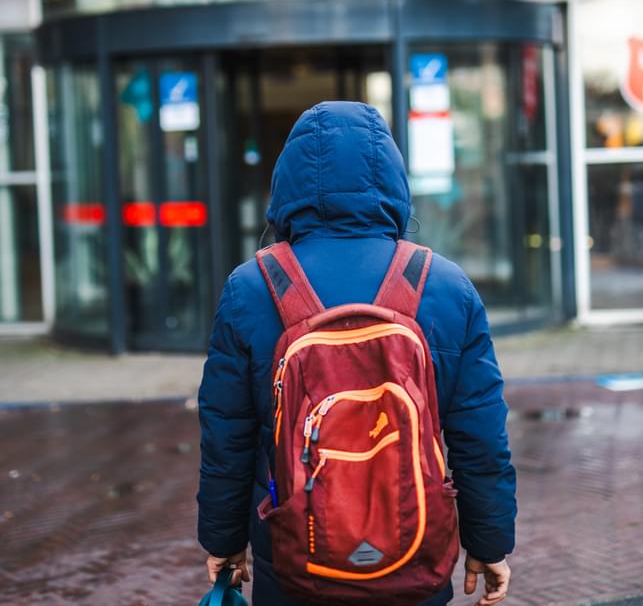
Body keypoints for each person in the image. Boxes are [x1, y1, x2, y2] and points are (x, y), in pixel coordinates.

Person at [197, 101, 516, 605]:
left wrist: (223, 540)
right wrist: (489, 542)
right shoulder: (445, 285)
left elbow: (226, 437)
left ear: (287, 183)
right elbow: (480, 437)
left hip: (294, 557)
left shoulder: (251, 287)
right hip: (414, 551)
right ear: (393, 179)